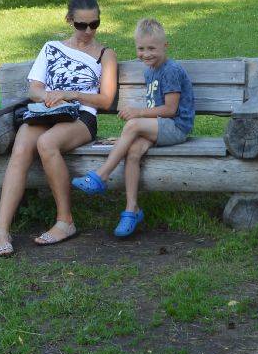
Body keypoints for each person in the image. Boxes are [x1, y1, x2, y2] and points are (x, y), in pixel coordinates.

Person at [0, 0, 118, 256]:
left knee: (46, 143)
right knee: (22, 147)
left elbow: (105, 100)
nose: (88, 31)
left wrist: (71, 95)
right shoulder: (51, 47)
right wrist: (50, 97)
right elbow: (35, 88)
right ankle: (2, 230)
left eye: (94, 24)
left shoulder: (105, 54)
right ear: (69, 21)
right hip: (46, 111)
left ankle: (65, 221)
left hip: (81, 116)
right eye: (81, 25)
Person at [70, 17, 194, 237]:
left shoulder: (171, 70)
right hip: (158, 126)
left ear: (165, 46)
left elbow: (171, 110)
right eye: (141, 48)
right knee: (133, 151)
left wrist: (138, 113)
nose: (146, 54)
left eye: (152, 48)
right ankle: (131, 210)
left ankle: (101, 176)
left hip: (176, 127)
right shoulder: (149, 71)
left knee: (134, 124)